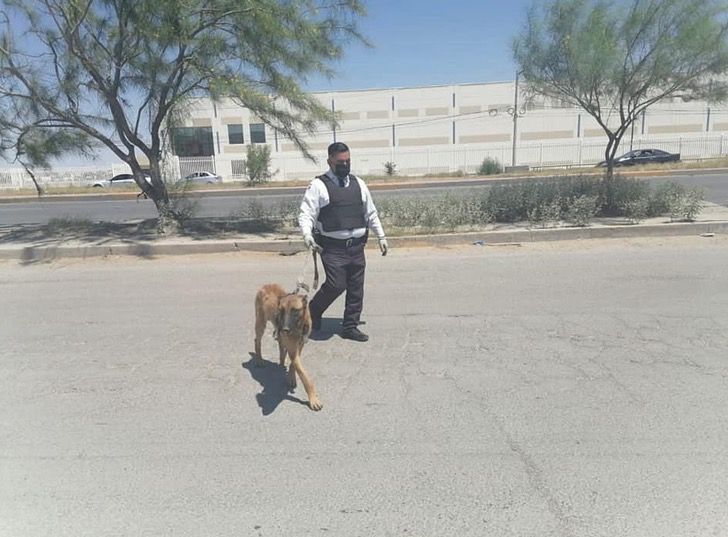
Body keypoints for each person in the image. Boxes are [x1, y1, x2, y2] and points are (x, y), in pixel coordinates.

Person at [298, 142, 388, 342]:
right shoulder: (319, 185)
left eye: (348, 161)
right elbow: (306, 214)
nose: (345, 165)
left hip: (356, 246)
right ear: (330, 161)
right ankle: (313, 312)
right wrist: (307, 236)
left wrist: (381, 236)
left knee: (356, 287)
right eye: (340, 162)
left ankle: (350, 326)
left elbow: (370, 213)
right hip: (332, 247)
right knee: (336, 284)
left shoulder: (359, 184)